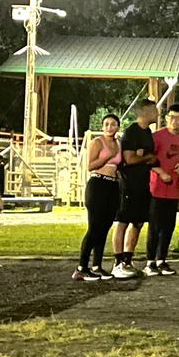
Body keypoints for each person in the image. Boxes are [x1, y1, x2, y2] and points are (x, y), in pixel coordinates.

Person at [112, 100, 158, 279]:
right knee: (123, 221)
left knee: (138, 222)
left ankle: (128, 259)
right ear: (145, 112)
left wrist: (147, 158)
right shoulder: (132, 132)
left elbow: (146, 157)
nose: (157, 114)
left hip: (143, 183)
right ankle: (117, 261)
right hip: (129, 183)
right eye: (154, 110)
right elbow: (129, 159)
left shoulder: (148, 133)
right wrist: (148, 158)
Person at [74, 113, 121, 281]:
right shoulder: (97, 142)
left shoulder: (118, 143)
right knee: (94, 227)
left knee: (105, 226)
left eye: (113, 124)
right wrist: (108, 156)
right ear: (102, 127)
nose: (110, 127)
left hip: (112, 185)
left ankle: (97, 265)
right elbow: (90, 165)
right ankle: (81, 267)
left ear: (118, 127)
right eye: (106, 124)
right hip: (98, 184)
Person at [145, 104, 179, 276]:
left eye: (177, 118)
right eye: (170, 116)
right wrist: (160, 172)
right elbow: (147, 159)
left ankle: (162, 260)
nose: (173, 120)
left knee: (168, 226)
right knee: (154, 226)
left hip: (173, 189)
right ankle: (150, 262)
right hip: (156, 188)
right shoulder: (157, 137)